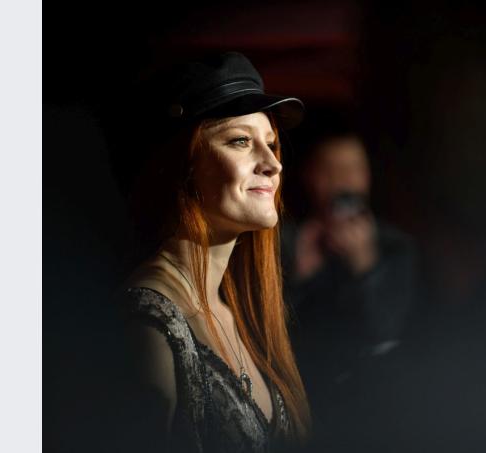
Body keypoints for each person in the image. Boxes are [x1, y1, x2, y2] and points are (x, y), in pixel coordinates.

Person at [107, 51, 310, 453]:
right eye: (240, 141)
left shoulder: (243, 306)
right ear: (183, 164)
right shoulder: (151, 320)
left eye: (271, 144)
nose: (273, 164)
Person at [280, 127, 418, 445]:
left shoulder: (397, 247)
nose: (343, 181)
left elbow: (388, 336)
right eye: (330, 170)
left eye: (353, 169)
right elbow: (264, 335)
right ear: (310, 176)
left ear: (368, 175)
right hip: (302, 410)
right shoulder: (285, 244)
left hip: (375, 416)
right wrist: (301, 277)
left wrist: (366, 268)